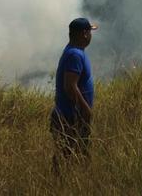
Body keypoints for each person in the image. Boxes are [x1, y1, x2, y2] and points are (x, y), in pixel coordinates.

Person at [50, 17, 98, 171]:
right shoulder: (75, 55)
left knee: (71, 155)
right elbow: (70, 86)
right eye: (90, 32)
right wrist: (86, 110)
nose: (91, 35)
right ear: (84, 34)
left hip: (70, 116)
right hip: (71, 117)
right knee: (70, 156)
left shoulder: (74, 51)